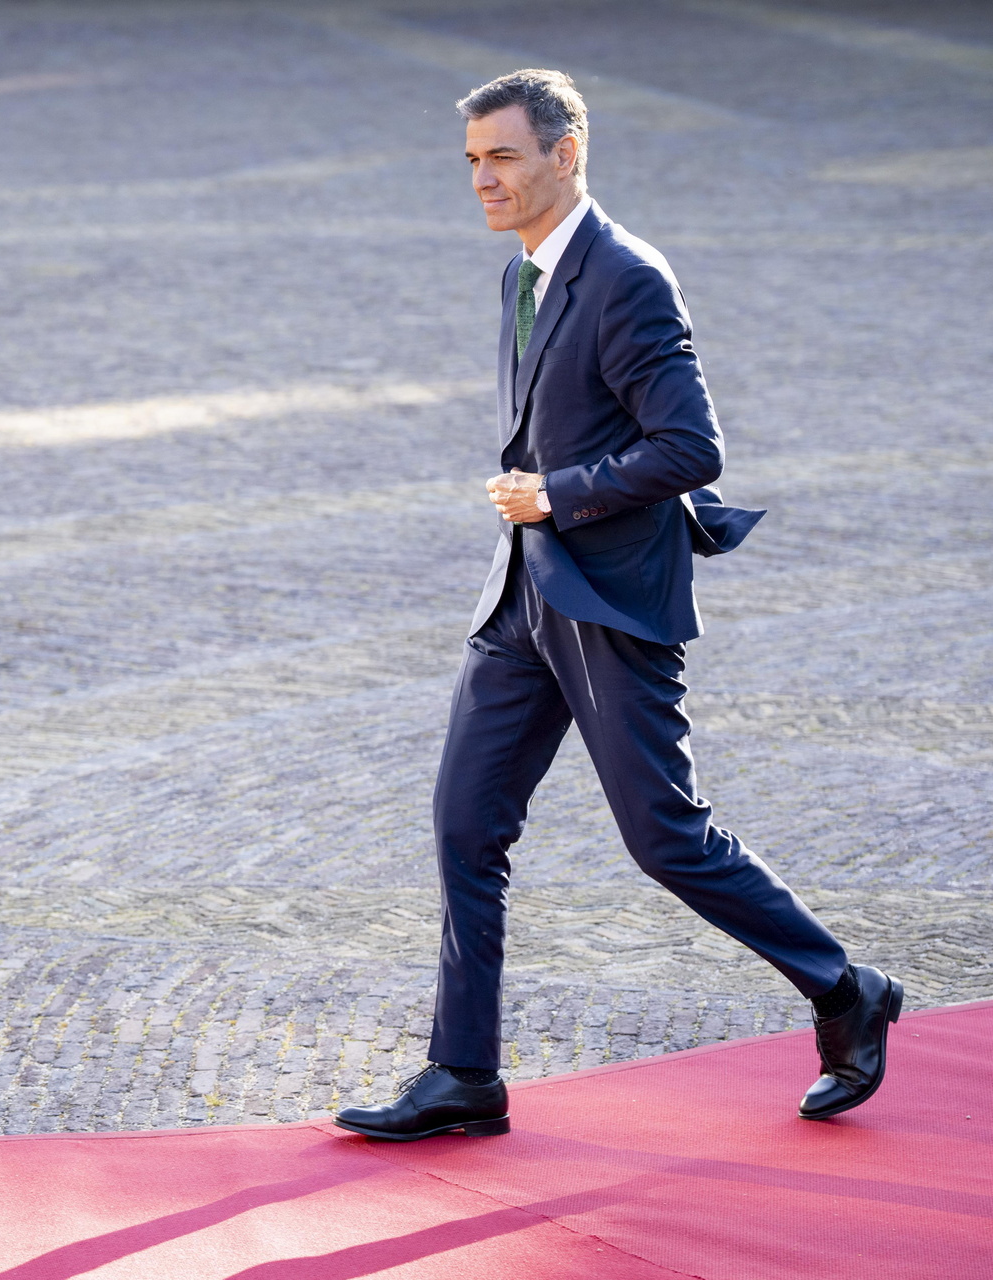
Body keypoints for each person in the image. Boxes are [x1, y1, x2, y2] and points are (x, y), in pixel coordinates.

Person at [334, 69, 900, 1142]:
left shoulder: (629, 276)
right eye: (471, 161)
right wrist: (533, 507)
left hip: (608, 595)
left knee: (664, 835)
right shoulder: (523, 274)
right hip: (524, 594)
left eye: (502, 156)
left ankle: (845, 988)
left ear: (567, 152)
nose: (483, 180)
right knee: (465, 820)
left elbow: (691, 446)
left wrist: (558, 493)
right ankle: (464, 1071)